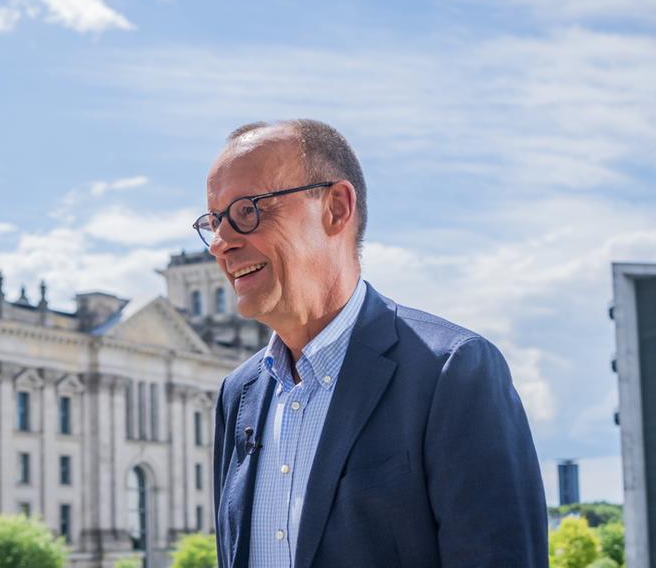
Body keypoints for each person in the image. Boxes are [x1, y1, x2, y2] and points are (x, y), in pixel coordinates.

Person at [203, 120, 547, 568]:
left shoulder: (452, 371)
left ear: (336, 208)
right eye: (213, 222)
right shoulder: (239, 393)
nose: (220, 243)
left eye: (247, 210)